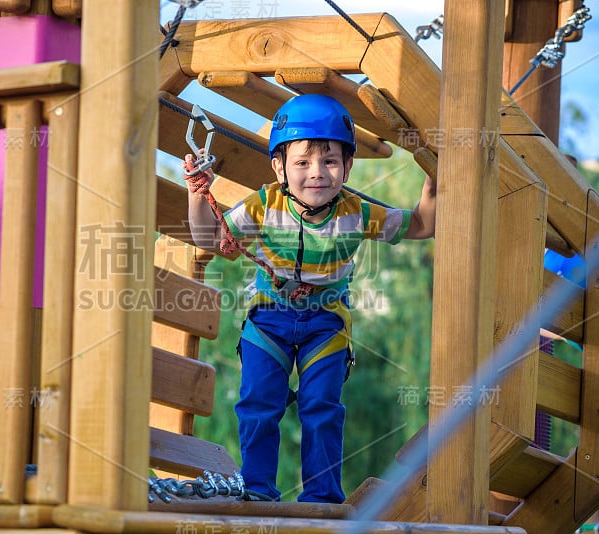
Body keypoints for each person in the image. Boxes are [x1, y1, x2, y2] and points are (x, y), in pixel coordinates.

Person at [185, 94, 436, 503]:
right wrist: (198, 193)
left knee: (322, 406)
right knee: (258, 403)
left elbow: (422, 224)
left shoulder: (358, 212)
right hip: (269, 318)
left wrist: (433, 187)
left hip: (326, 322)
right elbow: (212, 239)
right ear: (279, 167)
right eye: (302, 162)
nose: (317, 173)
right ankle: (257, 490)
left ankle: (321, 497)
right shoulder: (264, 206)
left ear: (348, 167)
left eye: (330, 161)